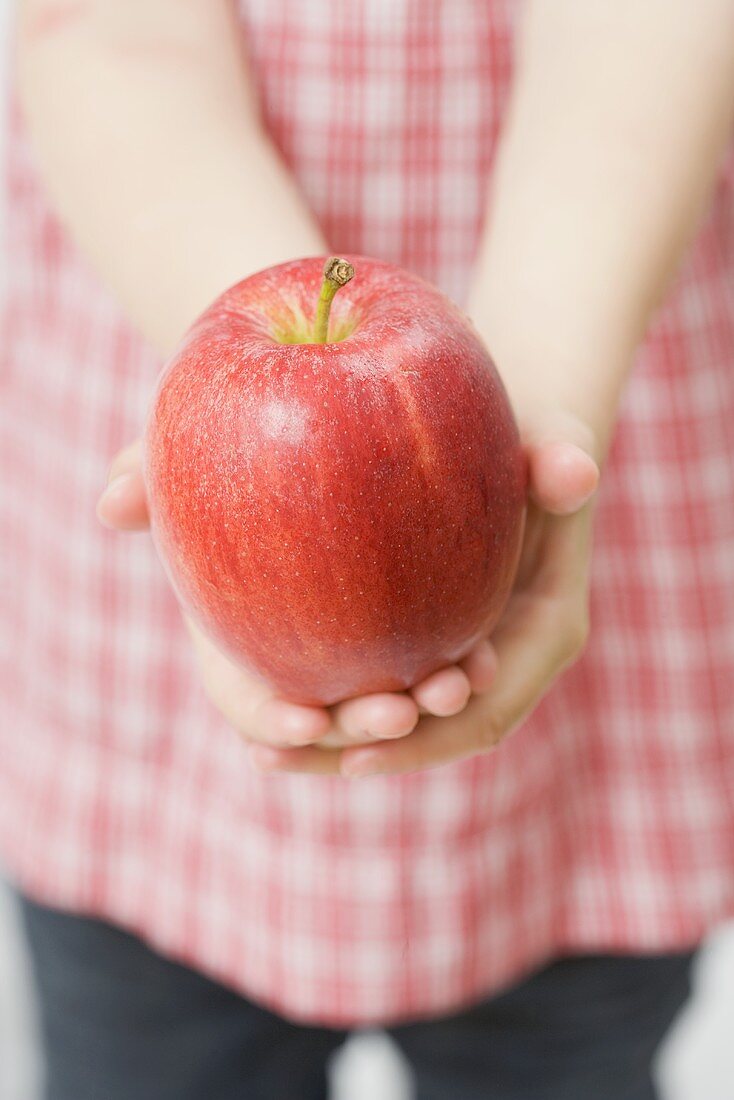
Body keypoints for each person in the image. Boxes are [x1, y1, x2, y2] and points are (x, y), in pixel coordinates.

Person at [2, 1, 733, 1098]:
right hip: (166, 322)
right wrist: (257, 457)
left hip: (580, 316)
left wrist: (527, 403)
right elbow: (107, 29)